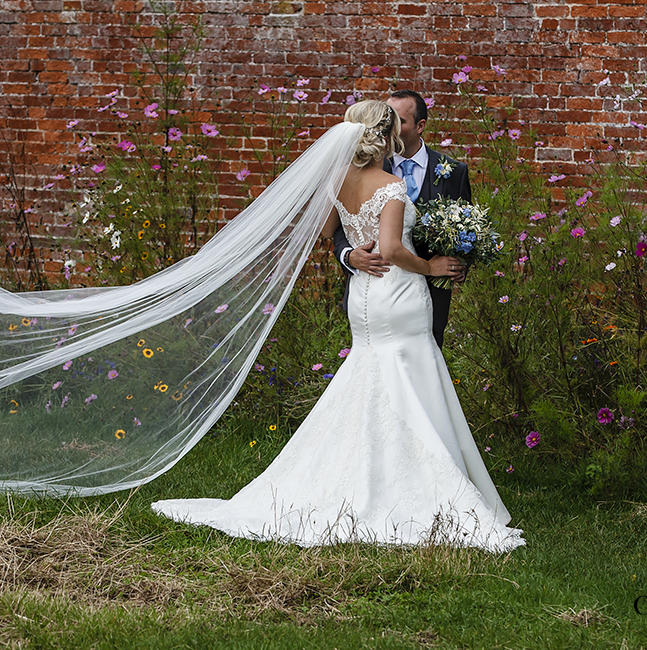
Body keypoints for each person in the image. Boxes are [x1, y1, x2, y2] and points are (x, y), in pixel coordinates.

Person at [152, 101, 523, 551]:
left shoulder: (337, 181)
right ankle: (417, 479)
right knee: (409, 376)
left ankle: (372, 471)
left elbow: (328, 231)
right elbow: (389, 249)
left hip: (364, 299)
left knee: (372, 376)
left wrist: (352, 251)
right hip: (397, 294)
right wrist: (429, 266)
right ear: (385, 138)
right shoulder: (390, 187)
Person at [333, 90, 471, 348]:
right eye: (389, 120)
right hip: (377, 286)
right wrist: (348, 255)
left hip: (428, 294)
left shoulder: (454, 172)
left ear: (420, 126)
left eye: (399, 120)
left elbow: (466, 226)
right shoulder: (371, 176)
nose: (393, 126)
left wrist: (458, 265)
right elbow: (341, 228)